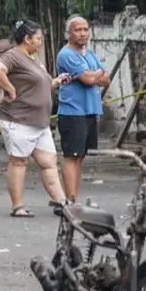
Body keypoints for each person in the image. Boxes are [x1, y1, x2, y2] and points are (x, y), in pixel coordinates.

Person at [0, 20, 71, 218]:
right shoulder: (13, 56)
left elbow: (40, 85)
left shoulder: (32, 59)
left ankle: (61, 202)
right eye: (38, 39)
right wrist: (9, 88)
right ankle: (18, 205)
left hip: (39, 121)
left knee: (48, 161)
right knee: (19, 161)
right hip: (18, 118)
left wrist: (56, 82)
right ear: (27, 39)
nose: (41, 42)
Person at [56, 16, 111, 205]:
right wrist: (94, 74)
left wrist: (92, 75)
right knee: (71, 155)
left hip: (89, 111)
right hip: (72, 112)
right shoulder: (67, 54)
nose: (83, 33)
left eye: (85, 29)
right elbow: (89, 79)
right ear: (69, 33)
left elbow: (106, 78)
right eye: (78, 30)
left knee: (80, 156)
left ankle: (74, 197)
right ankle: (70, 200)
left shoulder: (89, 53)